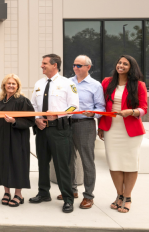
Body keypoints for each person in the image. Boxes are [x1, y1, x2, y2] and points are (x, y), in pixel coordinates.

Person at [29, 54, 79, 213]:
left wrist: (58, 114)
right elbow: (33, 105)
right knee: (42, 162)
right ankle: (43, 193)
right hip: (42, 129)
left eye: (44, 63)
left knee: (61, 165)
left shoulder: (67, 83)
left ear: (54, 65)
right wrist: (37, 119)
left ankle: (68, 198)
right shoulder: (38, 83)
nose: (41, 66)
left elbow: (74, 107)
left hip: (60, 130)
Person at [98, 55, 147, 213]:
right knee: (114, 163)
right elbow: (102, 105)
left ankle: (128, 196)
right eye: (119, 62)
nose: (121, 65)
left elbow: (143, 108)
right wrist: (100, 126)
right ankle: (119, 195)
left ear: (131, 67)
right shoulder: (107, 82)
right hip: (111, 129)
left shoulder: (139, 85)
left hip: (131, 130)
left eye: (125, 64)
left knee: (130, 164)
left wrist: (131, 112)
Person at [55, 55, 105, 209]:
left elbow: (101, 108)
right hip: (67, 124)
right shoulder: (66, 82)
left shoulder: (95, 85)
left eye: (79, 65)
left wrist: (93, 113)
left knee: (87, 160)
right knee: (68, 159)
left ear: (88, 67)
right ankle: (71, 190)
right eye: (74, 65)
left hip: (85, 124)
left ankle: (89, 196)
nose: (75, 68)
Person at [0, 74, 35, 207]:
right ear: (4, 85)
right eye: (8, 83)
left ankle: (18, 194)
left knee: (17, 164)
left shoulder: (23, 101)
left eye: (13, 84)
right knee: (3, 163)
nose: (11, 86)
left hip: (17, 139)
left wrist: (14, 121)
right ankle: (6, 192)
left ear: (18, 86)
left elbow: (30, 120)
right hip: (1, 138)